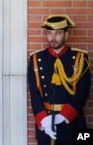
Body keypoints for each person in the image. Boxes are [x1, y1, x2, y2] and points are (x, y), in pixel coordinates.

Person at [27, 14, 91, 145]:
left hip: (74, 122)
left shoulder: (80, 58)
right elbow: (34, 93)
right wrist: (43, 120)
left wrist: (63, 116)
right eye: (50, 33)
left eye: (58, 33)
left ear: (66, 35)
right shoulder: (36, 59)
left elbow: (83, 91)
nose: (53, 37)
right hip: (45, 122)